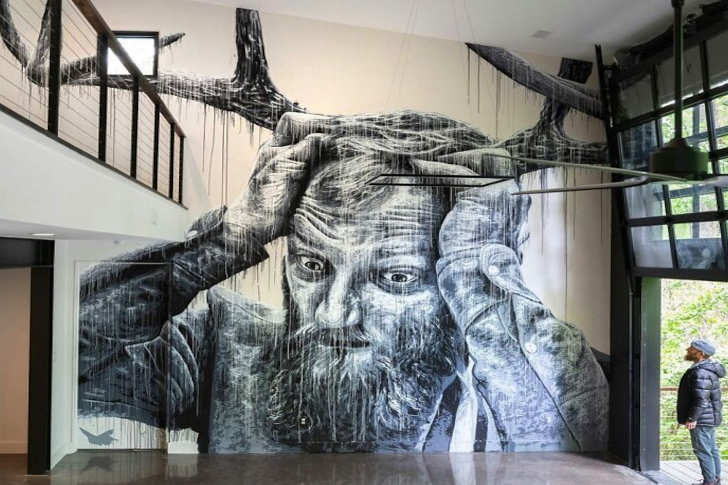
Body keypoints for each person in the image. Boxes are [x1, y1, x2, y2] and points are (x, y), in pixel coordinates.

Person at [78, 111, 608, 453]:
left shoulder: (526, 372)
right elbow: (66, 357)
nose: (333, 313)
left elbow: (576, 453)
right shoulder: (221, 344)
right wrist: (228, 239)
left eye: (395, 277)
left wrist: (481, 281)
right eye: (313, 266)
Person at [678, 339, 726, 485]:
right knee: (711, 449)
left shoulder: (701, 372)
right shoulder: (705, 369)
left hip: (701, 419)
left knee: (702, 450)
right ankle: (714, 479)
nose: (688, 349)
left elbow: (701, 399)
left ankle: (709, 482)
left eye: (692, 348)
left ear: (701, 353)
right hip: (708, 417)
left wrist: (692, 418)